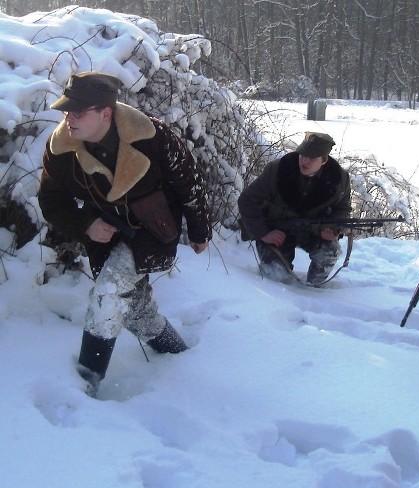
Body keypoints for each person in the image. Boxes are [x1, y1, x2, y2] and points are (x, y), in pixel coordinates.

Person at [38, 71, 212, 397]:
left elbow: (189, 185)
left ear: (105, 111)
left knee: (107, 296)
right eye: (65, 110)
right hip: (103, 236)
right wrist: (84, 225)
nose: (68, 118)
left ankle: (85, 386)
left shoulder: (154, 137)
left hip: (153, 230)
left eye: (77, 111)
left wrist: (200, 231)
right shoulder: (61, 148)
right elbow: (50, 201)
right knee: (133, 308)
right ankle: (176, 351)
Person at [238, 131, 351, 286]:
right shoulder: (278, 170)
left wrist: (334, 229)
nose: (304, 160)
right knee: (275, 278)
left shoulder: (339, 179)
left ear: (324, 160)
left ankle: (314, 289)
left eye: (311, 157)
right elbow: (247, 200)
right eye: (302, 154)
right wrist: (262, 233)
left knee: (328, 253)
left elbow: (342, 209)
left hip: (312, 232)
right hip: (277, 231)